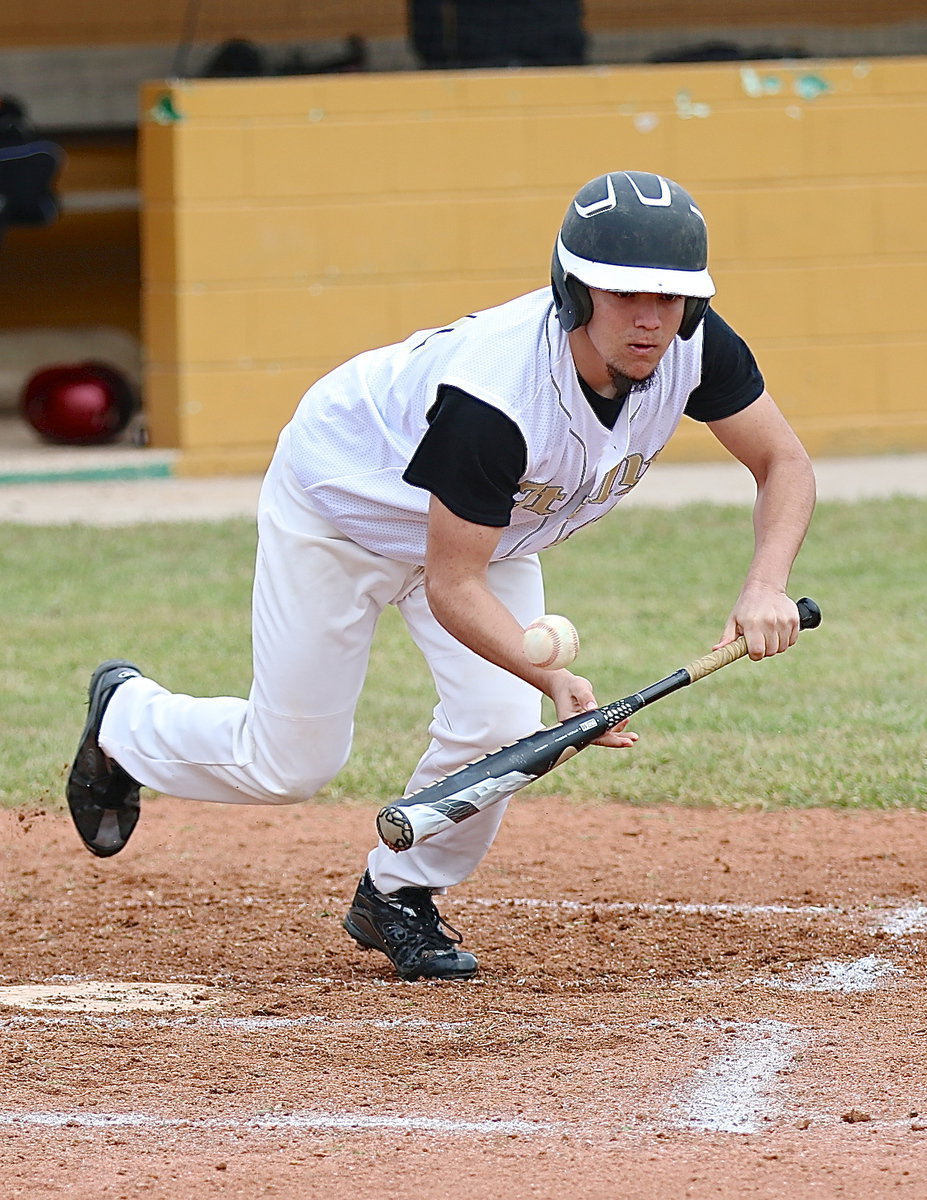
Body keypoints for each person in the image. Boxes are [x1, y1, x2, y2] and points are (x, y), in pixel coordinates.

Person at [66, 170, 816, 982]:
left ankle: (397, 893)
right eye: (623, 292)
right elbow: (455, 586)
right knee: (291, 764)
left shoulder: (694, 349)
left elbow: (783, 461)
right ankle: (125, 722)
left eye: (669, 300)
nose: (648, 318)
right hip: (343, 509)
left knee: (499, 726)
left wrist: (764, 584)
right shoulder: (496, 399)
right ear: (574, 290)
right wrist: (554, 677)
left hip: (486, 527)